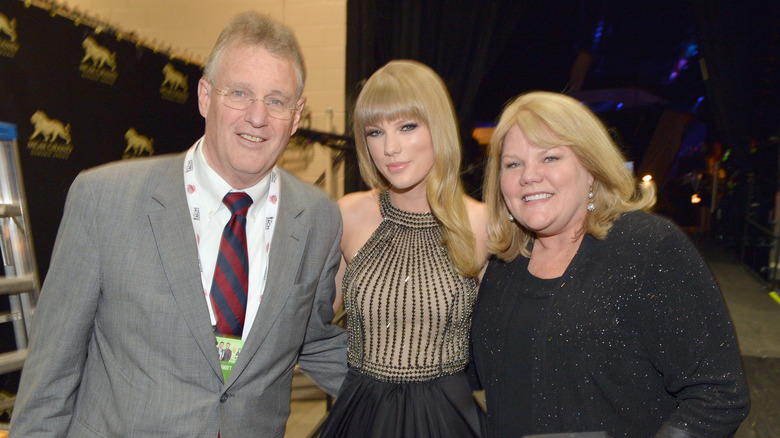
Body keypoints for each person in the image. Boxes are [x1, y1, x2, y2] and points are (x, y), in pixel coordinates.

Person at [10, 11, 347, 437]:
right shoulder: (104, 200)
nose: (257, 117)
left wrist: (420, 391)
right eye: (239, 93)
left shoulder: (318, 218)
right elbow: (50, 374)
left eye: (276, 101)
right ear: (205, 96)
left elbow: (310, 337)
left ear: (297, 116)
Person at [471, 91, 750, 437]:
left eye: (550, 158)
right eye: (514, 164)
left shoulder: (647, 247)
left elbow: (719, 393)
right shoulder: (506, 262)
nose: (529, 175)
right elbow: (481, 370)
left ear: (590, 169)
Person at [319, 60, 489, 438]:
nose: (390, 148)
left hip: (449, 419)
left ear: (438, 127)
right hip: (362, 417)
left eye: (407, 126)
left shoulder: (484, 224)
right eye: (375, 132)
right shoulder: (348, 215)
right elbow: (302, 323)